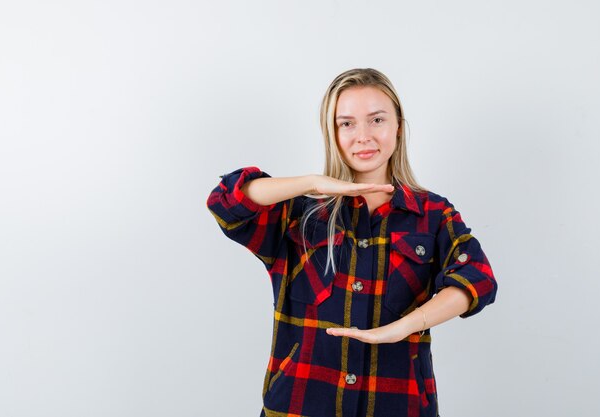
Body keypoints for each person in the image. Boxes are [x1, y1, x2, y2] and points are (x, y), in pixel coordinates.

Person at [206, 68, 497, 417]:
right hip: (300, 406)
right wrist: (314, 182)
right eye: (347, 123)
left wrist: (403, 328)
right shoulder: (301, 212)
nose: (363, 136)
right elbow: (225, 201)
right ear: (332, 131)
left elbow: (478, 278)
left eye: (376, 120)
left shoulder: (432, 213)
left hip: (398, 406)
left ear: (398, 126)